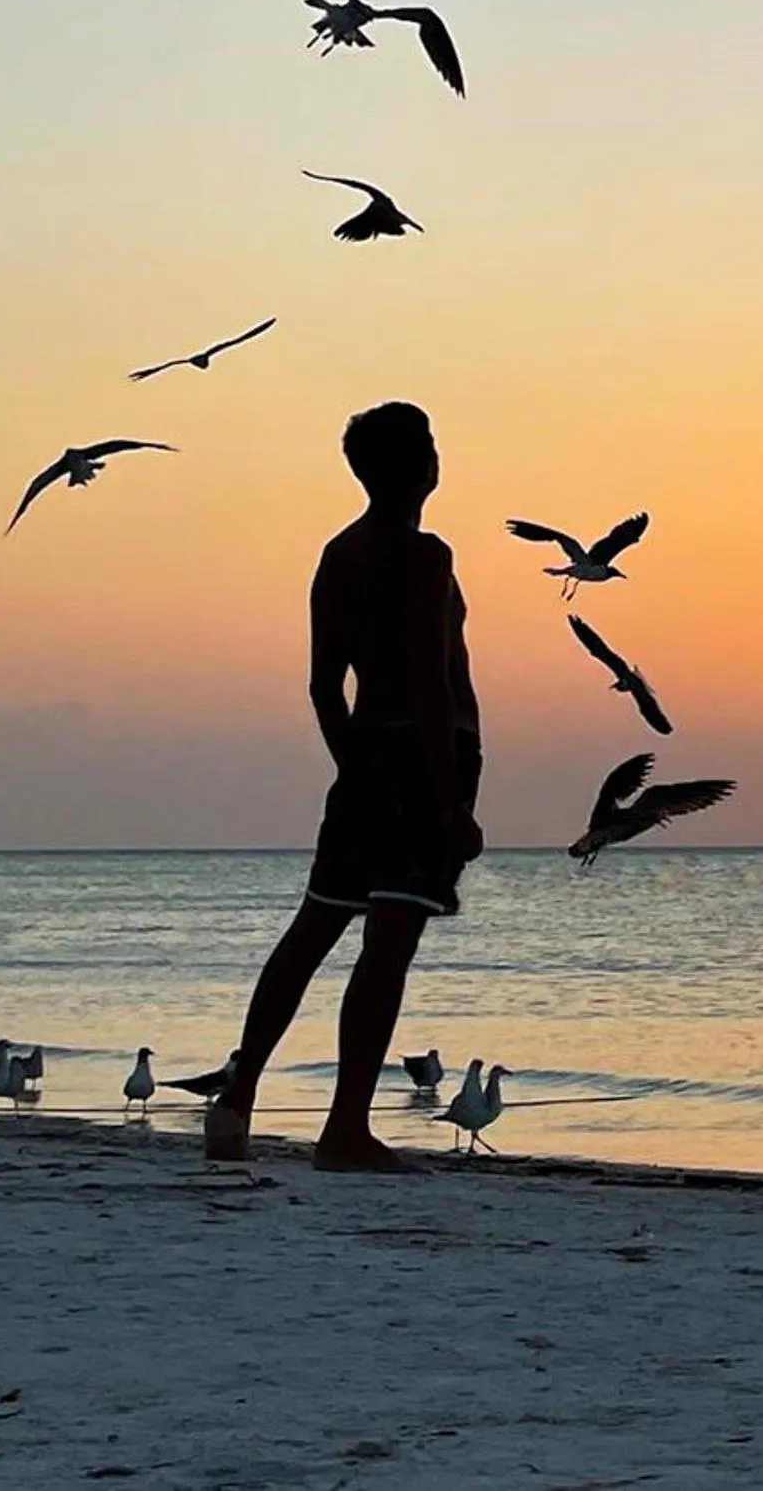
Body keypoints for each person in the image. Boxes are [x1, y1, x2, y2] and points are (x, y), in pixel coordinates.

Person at [205, 401, 482, 1170]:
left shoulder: (339, 555)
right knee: (386, 947)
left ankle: (236, 1100)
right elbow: (430, 680)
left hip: (365, 754)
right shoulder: (424, 556)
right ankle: (345, 1129)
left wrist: (351, 764)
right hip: (424, 757)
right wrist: (447, 800)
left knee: (314, 928)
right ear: (422, 466)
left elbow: (324, 687)